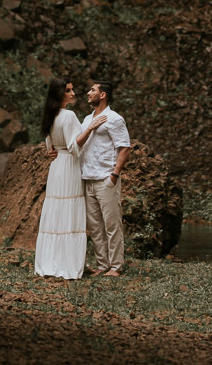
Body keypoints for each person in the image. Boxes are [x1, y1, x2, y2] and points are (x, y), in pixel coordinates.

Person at [34, 78, 107, 280]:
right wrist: (90, 127)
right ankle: (69, 263)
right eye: (68, 90)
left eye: (72, 89)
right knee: (71, 212)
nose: (73, 93)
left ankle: (51, 260)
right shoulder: (68, 115)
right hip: (70, 167)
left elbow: (49, 147)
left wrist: (52, 151)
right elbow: (75, 148)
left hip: (56, 167)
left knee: (56, 213)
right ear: (60, 94)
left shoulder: (50, 116)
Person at [78, 80, 131, 277]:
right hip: (88, 178)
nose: (88, 92)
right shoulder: (86, 119)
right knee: (95, 226)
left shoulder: (114, 119)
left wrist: (114, 174)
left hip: (106, 178)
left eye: (92, 90)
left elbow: (124, 147)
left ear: (103, 95)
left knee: (111, 224)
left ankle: (116, 266)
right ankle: (102, 264)